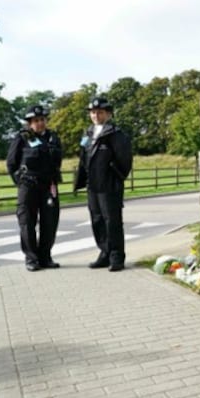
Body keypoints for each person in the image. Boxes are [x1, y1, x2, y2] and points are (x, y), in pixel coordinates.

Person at [73, 97, 133, 272]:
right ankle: (104, 253)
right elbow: (83, 157)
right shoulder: (89, 134)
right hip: (93, 184)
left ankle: (116, 256)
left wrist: (116, 178)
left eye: (99, 112)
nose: (95, 115)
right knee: (97, 219)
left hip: (109, 185)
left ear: (108, 114)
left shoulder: (116, 134)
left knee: (112, 221)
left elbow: (125, 160)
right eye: (93, 112)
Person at [6, 105, 63, 271]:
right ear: (30, 123)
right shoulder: (22, 138)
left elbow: (57, 160)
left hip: (48, 185)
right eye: (36, 121)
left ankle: (45, 257)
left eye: (42, 120)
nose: (40, 123)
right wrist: (20, 181)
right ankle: (31, 258)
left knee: (50, 222)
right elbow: (11, 162)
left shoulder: (53, 138)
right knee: (27, 222)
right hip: (28, 185)